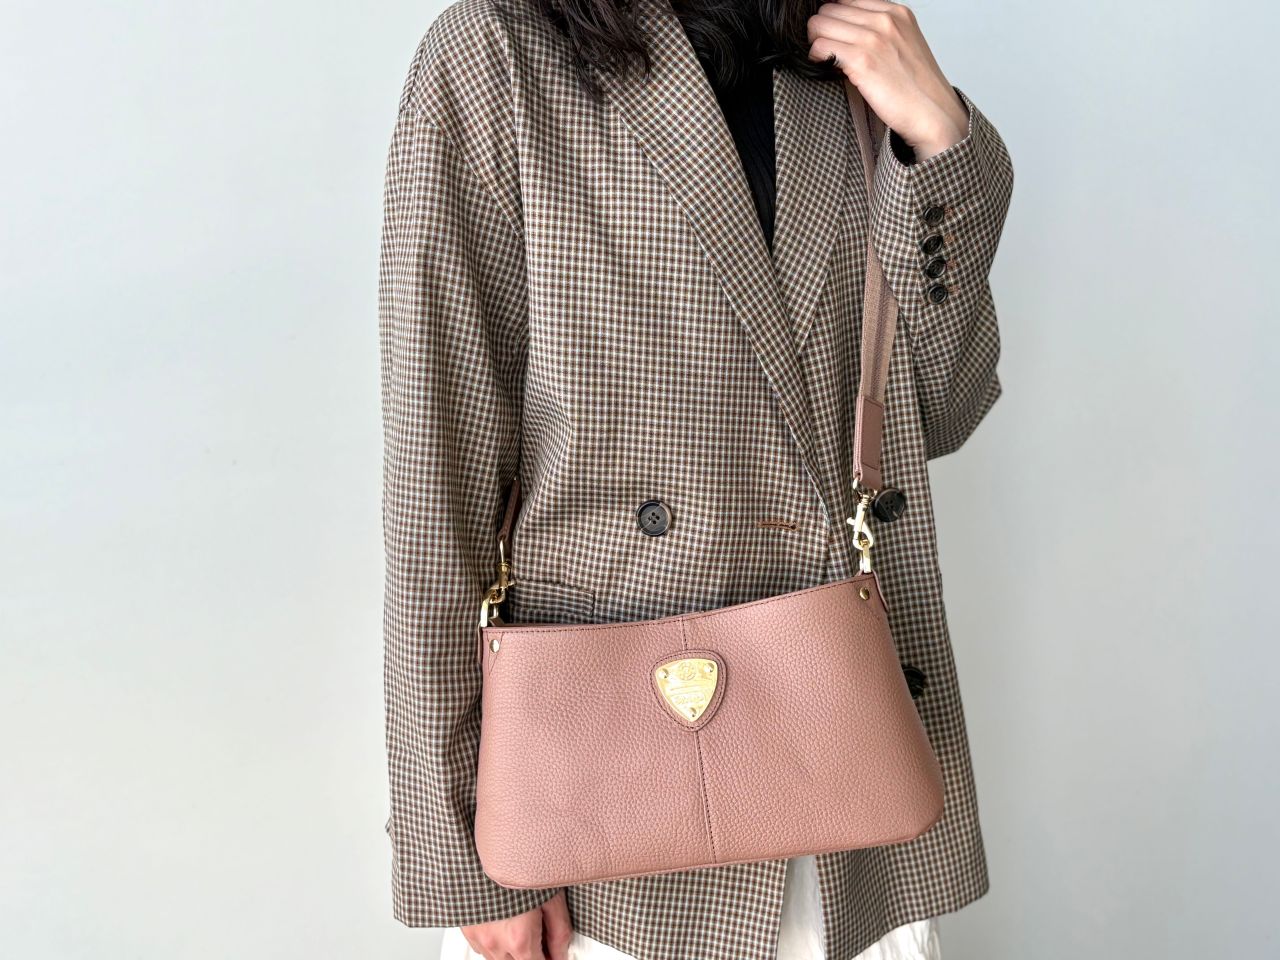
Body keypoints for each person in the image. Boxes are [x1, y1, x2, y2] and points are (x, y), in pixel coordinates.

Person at [376, 0, 1014, 957]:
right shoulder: (501, 48)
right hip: (611, 829)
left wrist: (939, 142)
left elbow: (941, 409)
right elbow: (435, 489)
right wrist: (462, 856)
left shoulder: (834, 50)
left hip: (847, 790)